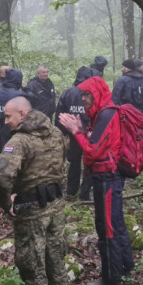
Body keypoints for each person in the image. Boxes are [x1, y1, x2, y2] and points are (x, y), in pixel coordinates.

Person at [0, 97, 72, 285]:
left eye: (9, 116)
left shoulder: (19, 141)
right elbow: (63, 158)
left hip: (31, 213)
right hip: (55, 207)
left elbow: (1, 177)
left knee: (33, 267)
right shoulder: (56, 133)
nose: (5, 121)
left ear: (23, 113)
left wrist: (7, 204)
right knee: (55, 259)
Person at [58, 77, 134, 285]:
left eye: (87, 94)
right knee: (116, 223)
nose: (83, 99)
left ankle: (111, 281)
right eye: (82, 95)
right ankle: (126, 267)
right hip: (108, 177)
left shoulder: (107, 114)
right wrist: (83, 129)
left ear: (97, 93)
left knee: (107, 227)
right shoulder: (102, 114)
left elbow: (91, 152)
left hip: (108, 179)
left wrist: (77, 132)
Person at [55, 66, 94, 200]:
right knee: (89, 163)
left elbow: (59, 115)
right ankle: (84, 193)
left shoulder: (68, 93)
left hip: (73, 135)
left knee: (74, 162)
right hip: (90, 135)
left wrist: (61, 132)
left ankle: (72, 191)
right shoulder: (92, 93)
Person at [0, 68, 34, 157]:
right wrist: (25, 88)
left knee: (2, 148)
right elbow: (34, 99)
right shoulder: (19, 95)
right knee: (12, 152)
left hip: (1, 128)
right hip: (15, 130)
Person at [111, 59, 143, 127]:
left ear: (127, 68)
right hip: (142, 115)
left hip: (126, 116)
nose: (122, 69)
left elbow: (115, 99)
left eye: (123, 67)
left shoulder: (122, 80)